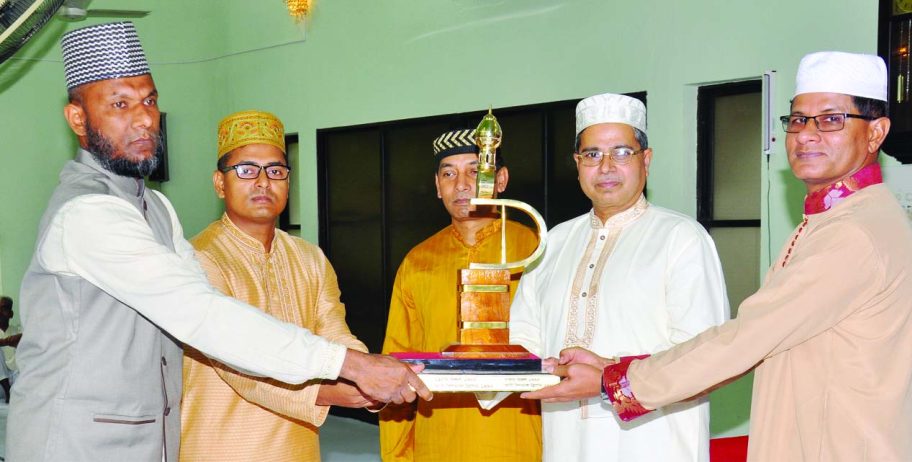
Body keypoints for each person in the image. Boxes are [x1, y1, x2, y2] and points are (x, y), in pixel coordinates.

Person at [10, 21, 430, 462]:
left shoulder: (155, 206)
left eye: (149, 101)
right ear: (78, 118)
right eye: (120, 103)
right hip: (76, 444)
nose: (144, 119)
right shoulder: (87, 212)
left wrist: (362, 373)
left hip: (152, 442)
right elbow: (204, 316)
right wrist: (355, 369)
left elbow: (215, 309)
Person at [525, 52, 912, 462]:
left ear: (876, 133)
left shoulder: (851, 232)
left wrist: (614, 380)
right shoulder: (832, 219)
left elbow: (743, 340)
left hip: (837, 446)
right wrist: (612, 368)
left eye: (831, 119)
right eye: (799, 120)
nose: (806, 134)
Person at [509, 93, 729, 461]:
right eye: (592, 154)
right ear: (577, 165)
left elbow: (702, 358)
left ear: (647, 159)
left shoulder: (681, 238)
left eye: (622, 152)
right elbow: (524, 340)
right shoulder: (553, 243)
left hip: (654, 442)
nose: (606, 166)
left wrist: (606, 373)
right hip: (566, 442)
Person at [180, 110, 374, 461]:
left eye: (275, 171)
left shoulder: (309, 257)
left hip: (297, 448)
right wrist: (332, 392)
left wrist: (367, 372)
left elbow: (333, 330)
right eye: (246, 170)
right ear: (219, 183)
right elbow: (239, 367)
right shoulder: (197, 259)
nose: (263, 182)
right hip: (220, 447)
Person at [379, 128, 543, 461]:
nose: (462, 184)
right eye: (449, 173)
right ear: (438, 186)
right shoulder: (418, 262)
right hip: (438, 438)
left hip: (522, 437)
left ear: (501, 179)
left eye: (474, 170)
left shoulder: (535, 251)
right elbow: (394, 368)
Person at [0, 296, 20, 403]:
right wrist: (6, 341)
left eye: (3, 309)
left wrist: (17, 339)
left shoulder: (17, 329)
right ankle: (8, 392)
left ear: (11, 314)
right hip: (2, 385)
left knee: (24, 346)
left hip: (18, 378)